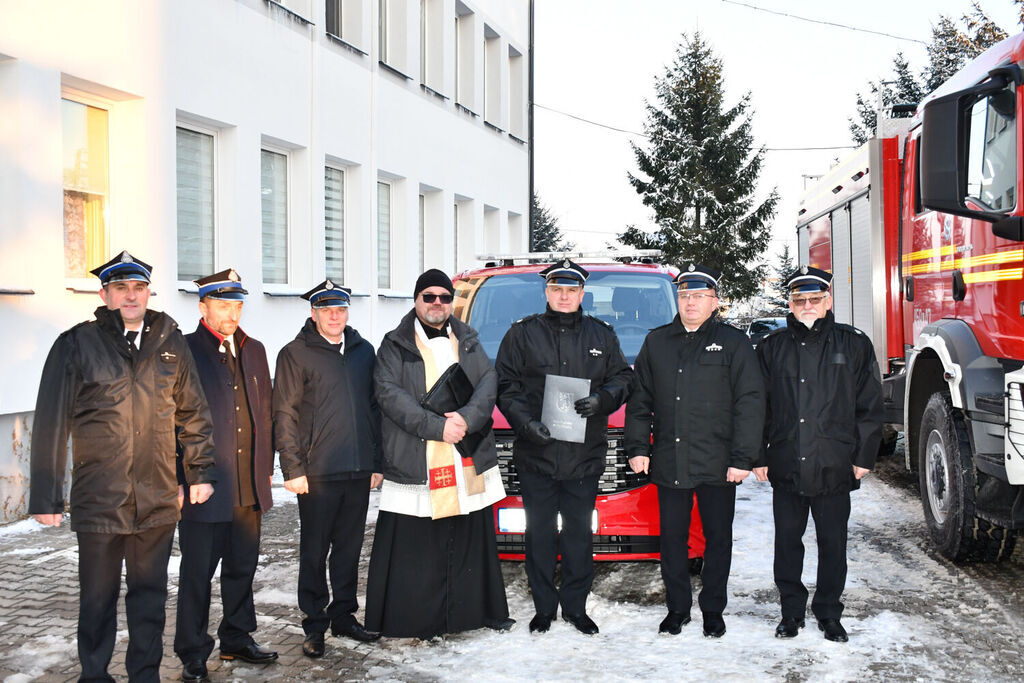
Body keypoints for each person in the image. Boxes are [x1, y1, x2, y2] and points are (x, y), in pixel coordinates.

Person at [29, 250, 216, 682]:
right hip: (100, 499)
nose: (131, 296)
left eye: (138, 288)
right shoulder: (76, 344)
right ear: (105, 294)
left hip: (156, 498)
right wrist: (46, 495)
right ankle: (94, 674)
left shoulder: (171, 343)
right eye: (121, 288)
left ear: (149, 293)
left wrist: (200, 472)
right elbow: (51, 421)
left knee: (149, 598)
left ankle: (144, 674)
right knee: (97, 598)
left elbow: (193, 413)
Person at [366, 269, 512, 639]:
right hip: (418, 454)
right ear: (416, 300)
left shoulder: (468, 338)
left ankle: (471, 614)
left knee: (466, 534)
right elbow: (388, 394)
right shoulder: (395, 344)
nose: (437, 304)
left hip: (464, 452)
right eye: (429, 296)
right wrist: (438, 427)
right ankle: (417, 620)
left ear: (451, 303)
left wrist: (465, 417)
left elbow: (487, 382)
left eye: (444, 298)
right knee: (418, 542)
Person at [624, 264, 765, 638]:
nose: (690, 303)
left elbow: (750, 402)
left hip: (720, 464)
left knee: (718, 540)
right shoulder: (657, 342)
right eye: (685, 296)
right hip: (671, 460)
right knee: (672, 540)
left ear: (715, 302)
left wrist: (742, 458)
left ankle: (713, 609)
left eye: (699, 296)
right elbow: (640, 401)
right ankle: (677, 609)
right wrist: (638, 448)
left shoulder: (734, 343)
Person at [495, 259, 633, 635]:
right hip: (536, 454)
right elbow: (505, 385)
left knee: (578, 538)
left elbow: (623, 377)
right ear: (546, 292)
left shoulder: (601, 336)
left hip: (583, 456)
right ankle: (543, 609)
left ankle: (575, 608)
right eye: (557, 289)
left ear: (582, 294)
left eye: (571, 290)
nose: (564, 296)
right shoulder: (522, 335)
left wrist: (603, 400)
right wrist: (524, 423)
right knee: (538, 536)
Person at [755, 266, 883, 642]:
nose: (807, 305)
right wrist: (758, 456)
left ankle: (829, 612)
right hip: (787, 462)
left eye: (814, 299)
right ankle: (791, 612)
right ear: (790, 304)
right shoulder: (772, 347)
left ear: (828, 301)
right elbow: (757, 406)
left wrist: (864, 456)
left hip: (835, 462)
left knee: (833, 543)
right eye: (799, 300)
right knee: (787, 543)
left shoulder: (854, 344)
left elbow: (870, 406)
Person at [174, 269, 277, 681]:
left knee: (241, 568)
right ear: (203, 307)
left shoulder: (255, 350)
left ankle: (236, 637)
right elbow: (173, 421)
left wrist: (265, 473)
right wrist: (179, 481)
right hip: (205, 486)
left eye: (237, 304)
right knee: (197, 575)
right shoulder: (183, 351)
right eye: (222, 304)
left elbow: (264, 415)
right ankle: (192, 652)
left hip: (247, 485)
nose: (231, 313)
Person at [273, 280, 382, 658]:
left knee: (350, 549)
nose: (335, 316)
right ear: (314, 313)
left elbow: (374, 408)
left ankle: (344, 616)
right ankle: (315, 624)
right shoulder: (295, 354)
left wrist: (375, 462)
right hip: (316, 471)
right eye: (327, 310)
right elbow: (283, 413)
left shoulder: (363, 351)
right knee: (315, 550)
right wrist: (292, 468)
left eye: (340, 309)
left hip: (357, 469)